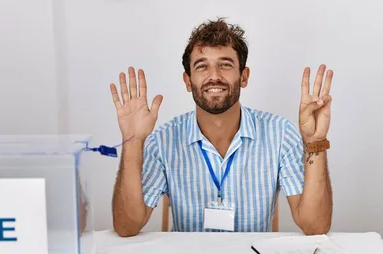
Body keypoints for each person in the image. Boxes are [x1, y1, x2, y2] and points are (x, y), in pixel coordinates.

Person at [110, 18, 333, 236]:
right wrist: (133, 140)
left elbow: (314, 226)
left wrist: (314, 142)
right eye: (202, 66)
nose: (214, 76)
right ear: (188, 81)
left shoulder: (280, 134)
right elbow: (127, 226)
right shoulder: (163, 141)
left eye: (225, 65)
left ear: (244, 77)